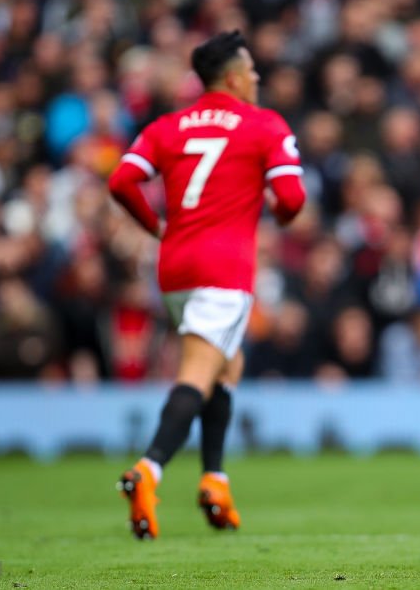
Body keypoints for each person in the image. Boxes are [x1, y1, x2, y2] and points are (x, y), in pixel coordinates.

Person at [108, 30, 306, 539]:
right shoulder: (263, 124)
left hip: (174, 266)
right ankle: (147, 470)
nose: (258, 78)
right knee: (199, 369)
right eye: (253, 70)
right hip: (224, 268)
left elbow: (122, 181)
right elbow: (292, 194)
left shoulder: (168, 126)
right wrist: (282, 215)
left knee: (226, 363)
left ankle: (215, 481)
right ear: (236, 77)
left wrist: (156, 228)